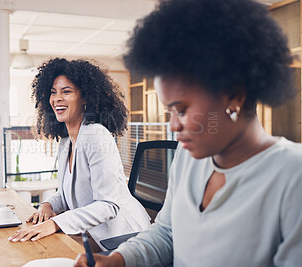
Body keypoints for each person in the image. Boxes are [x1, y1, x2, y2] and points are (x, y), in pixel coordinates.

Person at [75, 0, 302, 266]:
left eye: (181, 110)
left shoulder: (292, 177)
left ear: (234, 94)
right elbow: (166, 233)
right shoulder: (188, 156)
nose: (173, 125)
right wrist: (119, 259)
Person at [8, 58, 150, 251]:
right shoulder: (67, 141)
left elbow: (108, 205)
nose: (57, 98)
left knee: (46, 251)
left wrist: (55, 223)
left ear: (85, 98)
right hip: (92, 233)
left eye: (66, 91)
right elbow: (67, 193)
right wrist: (48, 205)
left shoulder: (97, 136)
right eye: (53, 92)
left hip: (123, 237)